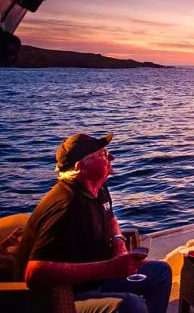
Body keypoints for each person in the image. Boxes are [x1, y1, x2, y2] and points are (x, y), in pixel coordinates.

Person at [14, 133, 172, 313]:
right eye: (103, 155)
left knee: (160, 273)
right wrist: (108, 269)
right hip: (61, 297)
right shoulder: (65, 206)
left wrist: (119, 243)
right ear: (81, 167)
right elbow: (34, 273)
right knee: (130, 305)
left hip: (97, 279)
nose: (111, 157)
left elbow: (110, 218)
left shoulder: (99, 188)